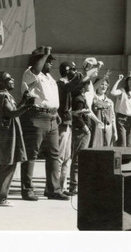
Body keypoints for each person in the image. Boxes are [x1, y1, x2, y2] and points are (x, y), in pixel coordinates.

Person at [19, 46, 68, 201]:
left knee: (54, 155)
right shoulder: (30, 73)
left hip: (52, 117)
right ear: (37, 61)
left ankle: (53, 189)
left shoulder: (49, 78)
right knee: (31, 154)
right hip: (36, 116)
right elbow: (35, 70)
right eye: (47, 61)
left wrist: (56, 113)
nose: (50, 64)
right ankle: (27, 190)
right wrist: (44, 54)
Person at [0, 71, 34, 206]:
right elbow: (11, 113)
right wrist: (27, 105)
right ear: (2, 83)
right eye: (9, 78)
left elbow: (13, 109)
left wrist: (24, 101)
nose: (13, 80)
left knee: (9, 164)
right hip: (8, 135)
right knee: (6, 165)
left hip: (10, 134)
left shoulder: (5, 95)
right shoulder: (3, 97)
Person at [56, 61, 93, 195]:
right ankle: (55, 188)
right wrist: (84, 72)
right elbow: (73, 85)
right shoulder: (61, 83)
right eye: (72, 69)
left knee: (67, 158)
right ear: (66, 70)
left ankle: (62, 187)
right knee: (60, 158)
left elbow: (78, 84)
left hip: (68, 123)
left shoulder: (69, 86)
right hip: (62, 124)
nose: (74, 71)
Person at [68, 81, 104, 194]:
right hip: (81, 131)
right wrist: (86, 129)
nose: (91, 86)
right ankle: (74, 186)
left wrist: (97, 121)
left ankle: (78, 184)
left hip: (84, 131)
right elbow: (77, 116)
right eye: (88, 84)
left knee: (81, 158)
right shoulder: (78, 99)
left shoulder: (82, 97)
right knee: (78, 158)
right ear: (83, 86)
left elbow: (88, 112)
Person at [110, 70, 131, 147]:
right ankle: (120, 159)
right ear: (127, 81)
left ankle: (125, 159)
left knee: (128, 144)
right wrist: (119, 80)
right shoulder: (122, 91)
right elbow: (112, 92)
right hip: (121, 119)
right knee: (122, 144)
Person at [91, 78, 117, 147]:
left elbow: (113, 118)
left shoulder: (110, 102)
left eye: (106, 85)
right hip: (96, 130)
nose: (104, 86)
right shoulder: (92, 99)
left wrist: (115, 132)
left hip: (108, 130)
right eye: (102, 84)